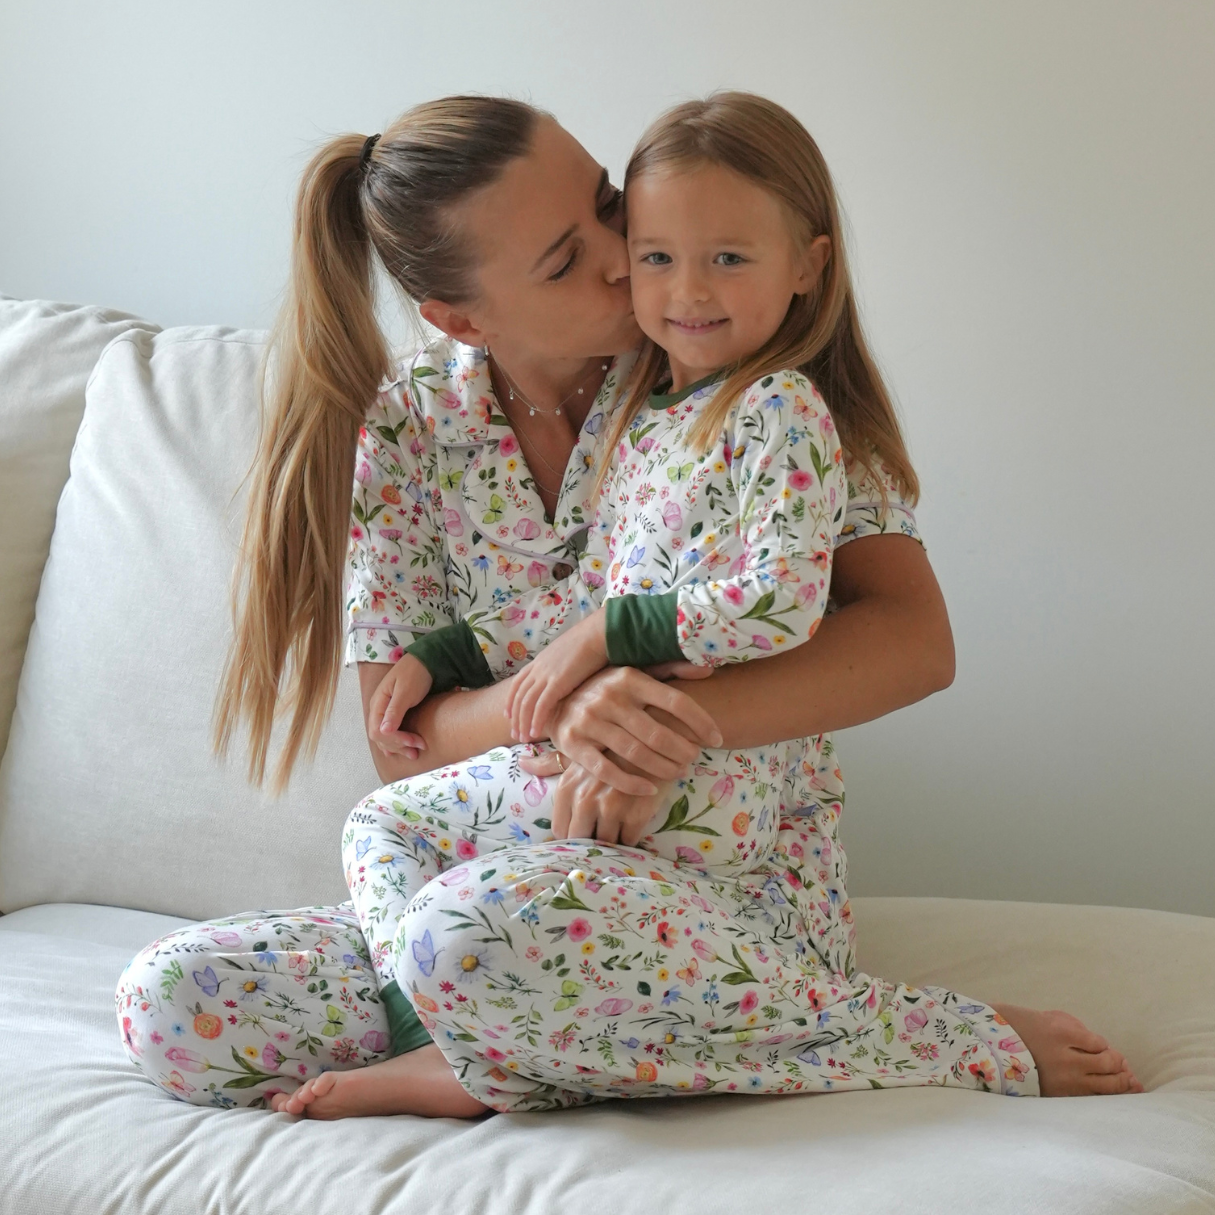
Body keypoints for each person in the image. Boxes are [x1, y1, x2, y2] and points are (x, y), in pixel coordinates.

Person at [116, 94, 1141, 1119]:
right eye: (566, 260)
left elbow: (912, 642)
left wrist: (652, 728)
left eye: (607, 204)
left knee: (466, 934)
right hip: (499, 869)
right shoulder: (409, 428)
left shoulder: (725, 369)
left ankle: (929, 1033)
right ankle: (500, 1041)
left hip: (708, 890)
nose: (624, 255)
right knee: (176, 1004)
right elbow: (405, 744)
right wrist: (565, 707)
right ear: (463, 319)